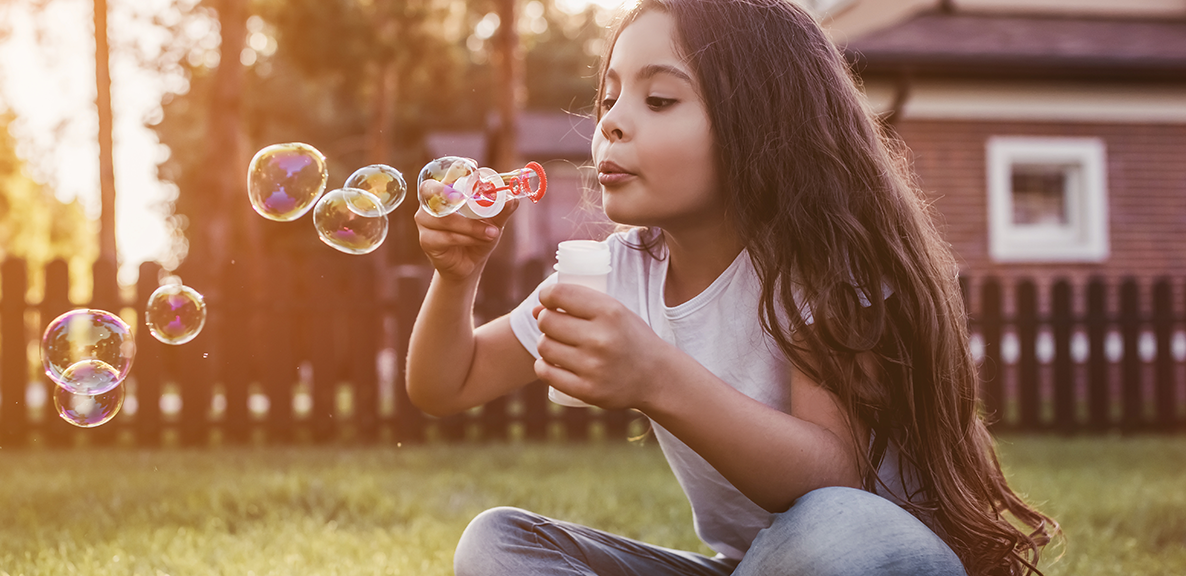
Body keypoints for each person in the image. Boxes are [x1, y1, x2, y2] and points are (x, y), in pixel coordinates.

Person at [405, 0, 1060, 575]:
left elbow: (833, 479)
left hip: (868, 556)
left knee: (844, 528)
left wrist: (656, 377)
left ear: (759, 122)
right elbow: (446, 385)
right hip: (752, 567)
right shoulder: (621, 270)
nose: (610, 124)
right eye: (609, 99)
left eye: (659, 100)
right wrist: (456, 277)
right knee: (498, 543)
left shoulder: (822, 264)